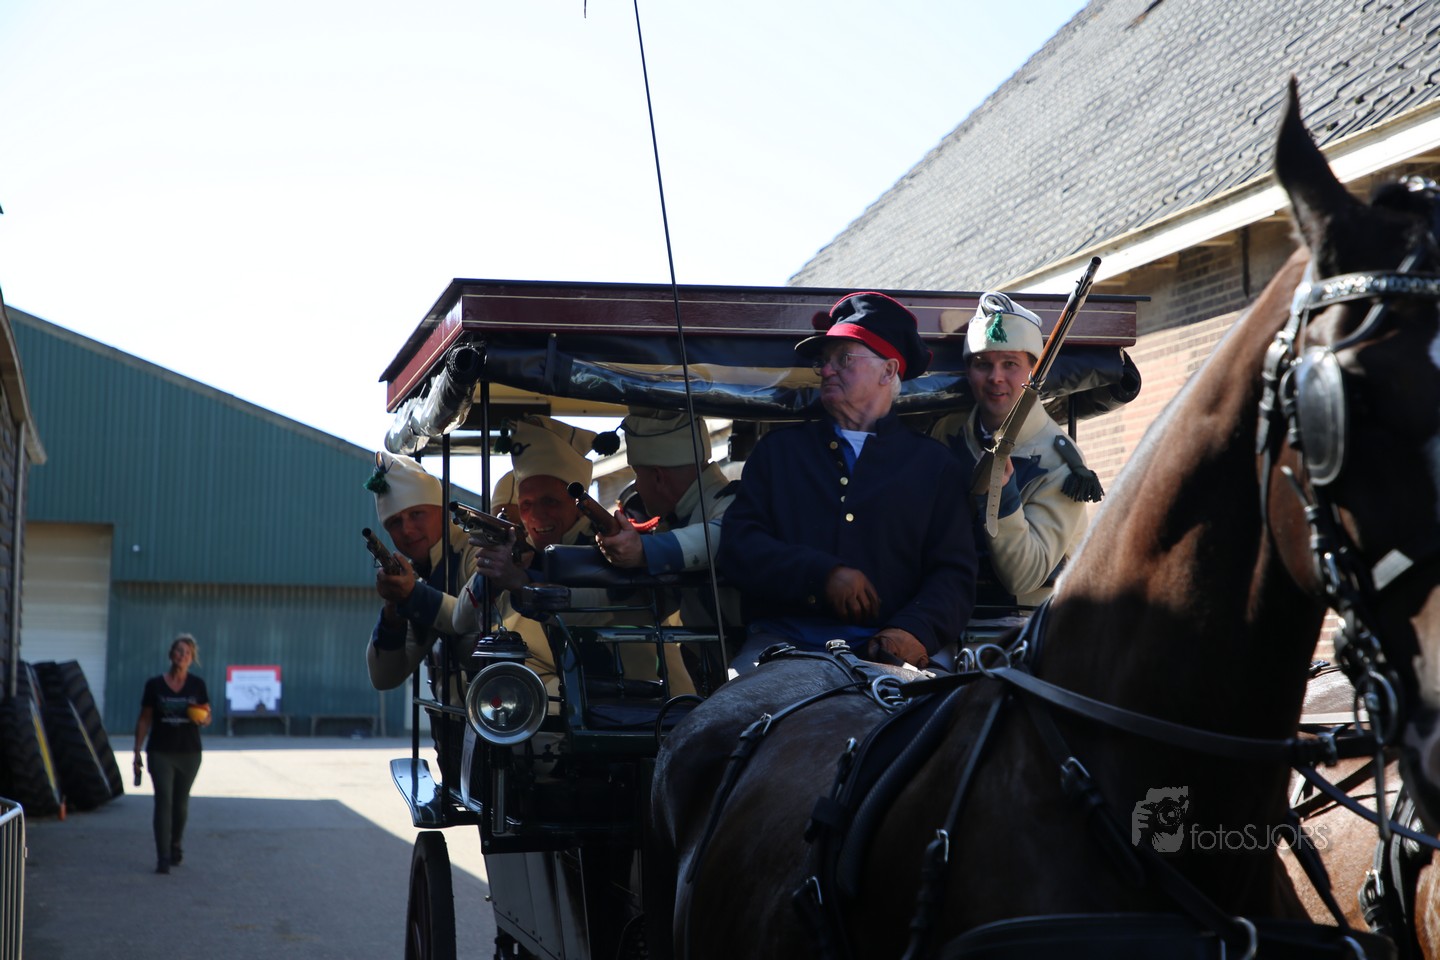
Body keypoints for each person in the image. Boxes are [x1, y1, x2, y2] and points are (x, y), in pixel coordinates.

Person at [718, 291, 977, 672]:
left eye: (844, 359)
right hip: (782, 644)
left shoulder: (934, 465)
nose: (826, 370)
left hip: (892, 650)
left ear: (888, 371)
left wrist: (914, 630)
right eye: (824, 361)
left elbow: (954, 573)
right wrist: (820, 575)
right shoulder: (778, 453)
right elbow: (738, 548)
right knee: (737, 706)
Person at [463, 413, 693, 693]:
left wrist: (522, 583)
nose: (537, 515)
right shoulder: (529, 552)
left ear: (577, 503)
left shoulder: (609, 543)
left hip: (652, 699)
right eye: (526, 504)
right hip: (593, 698)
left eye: (550, 501)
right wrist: (492, 567)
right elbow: (459, 620)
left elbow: (596, 607)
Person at [929, 292, 1093, 610]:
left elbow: (1024, 576)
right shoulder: (947, 432)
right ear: (968, 372)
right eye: (982, 365)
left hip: (1022, 625)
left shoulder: (1059, 461)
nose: (996, 377)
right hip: (941, 610)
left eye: (1010, 364)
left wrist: (1002, 494)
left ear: (1034, 372)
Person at [595, 408, 743, 675]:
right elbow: (640, 607)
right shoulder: (677, 521)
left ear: (658, 477)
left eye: (637, 476)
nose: (636, 487)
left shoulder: (735, 504)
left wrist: (644, 550)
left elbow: (725, 535)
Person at [363, 450, 478, 690]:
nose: (407, 530)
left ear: (442, 511)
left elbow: (476, 620)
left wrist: (413, 595)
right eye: (395, 522)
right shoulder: (420, 577)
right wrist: (393, 612)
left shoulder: (478, 551)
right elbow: (384, 677)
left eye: (416, 514)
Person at [133, 633, 211, 874]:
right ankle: (163, 856)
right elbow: (145, 719)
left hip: (189, 753)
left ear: (192, 659)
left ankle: (176, 842)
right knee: (163, 801)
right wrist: (137, 751)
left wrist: (203, 719)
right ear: (170, 655)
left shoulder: (197, 685)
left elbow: (207, 714)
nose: (182, 655)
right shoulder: (154, 685)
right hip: (160, 752)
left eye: (187, 653)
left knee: (180, 804)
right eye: (178, 651)